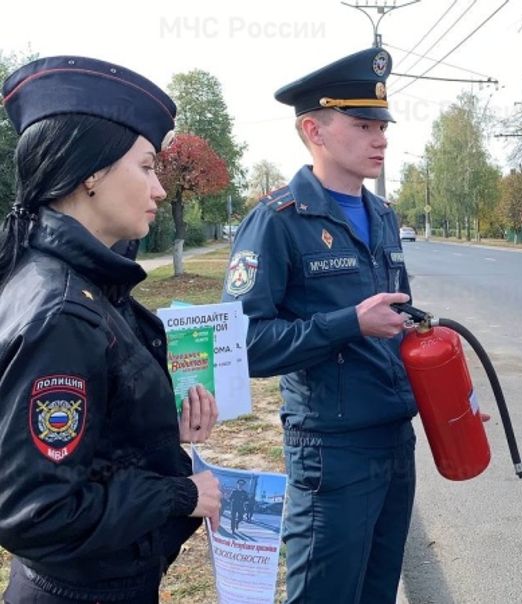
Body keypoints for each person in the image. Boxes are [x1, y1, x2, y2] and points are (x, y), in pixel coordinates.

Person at [0, 56, 223, 603]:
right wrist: (179, 494)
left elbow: (77, 443)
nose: (160, 190)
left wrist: (154, 427)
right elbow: (37, 511)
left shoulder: (73, 281)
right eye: (147, 168)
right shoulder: (63, 309)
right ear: (91, 174)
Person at [222, 47, 416, 604]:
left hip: (394, 438)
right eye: (363, 124)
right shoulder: (276, 221)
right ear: (315, 130)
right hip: (330, 449)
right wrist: (348, 323)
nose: (381, 137)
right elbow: (244, 344)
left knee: (377, 591)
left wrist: (448, 389)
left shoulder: (383, 215)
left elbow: (399, 319)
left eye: (382, 124)